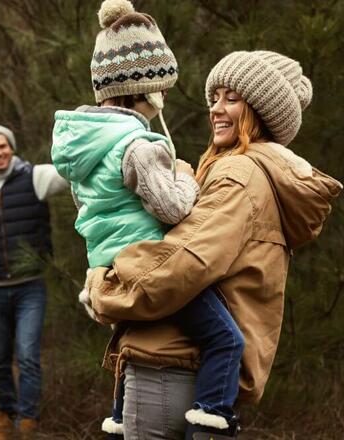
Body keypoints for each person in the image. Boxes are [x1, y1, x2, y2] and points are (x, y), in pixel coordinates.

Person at [85, 49, 342, 439]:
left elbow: (178, 267)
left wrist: (102, 286)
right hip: (184, 367)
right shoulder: (245, 172)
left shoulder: (238, 174)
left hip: (170, 366)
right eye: (214, 98)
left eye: (231, 98)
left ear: (260, 112)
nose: (216, 109)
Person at [52, 0, 247, 437]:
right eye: (162, 88)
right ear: (148, 89)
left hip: (108, 265)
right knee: (227, 339)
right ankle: (212, 416)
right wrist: (185, 175)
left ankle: (122, 416)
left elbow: (91, 207)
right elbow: (174, 208)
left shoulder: (84, 145)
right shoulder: (139, 146)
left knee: (129, 340)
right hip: (148, 262)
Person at [0, 124, 68, 439]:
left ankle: (28, 421)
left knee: (28, 354)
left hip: (30, 286)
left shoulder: (34, 177)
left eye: (2, 146)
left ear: (11, 147)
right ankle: (4, 417)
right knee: (0, 359)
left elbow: (68, 171)